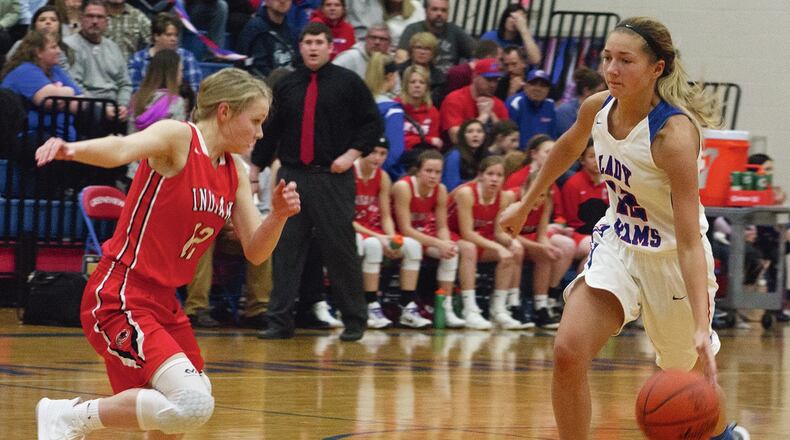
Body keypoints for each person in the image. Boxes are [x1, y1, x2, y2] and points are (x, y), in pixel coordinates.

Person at [499, 17, 749, 440]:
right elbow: (568, 145)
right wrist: (527, 202)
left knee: (687, 383)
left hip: (673, 260)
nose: (612, 69)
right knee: (567, 352)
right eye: (607, 58)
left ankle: (724, 435)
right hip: (619, 244)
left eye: (626, 60)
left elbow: (689, 241)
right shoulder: (597, 107)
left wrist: (700, 325)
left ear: (657, 68)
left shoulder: (673, 136)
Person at [33, 67, 301, 439]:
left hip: (164, 305)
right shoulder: (179, 138)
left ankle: (72, 419)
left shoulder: (235, 171)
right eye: (255, 121)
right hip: (121, 295)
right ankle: (67, 416)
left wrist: (279, 216)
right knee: (191, 402)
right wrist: (71, 149)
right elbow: (121, 149)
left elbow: (256, 250)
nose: (259, 133)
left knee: (183, 411)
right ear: (224, 111)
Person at [251, 22, 382, 342]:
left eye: (318, 42)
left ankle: (354, 320)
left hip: (332, 178)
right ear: (300, 46)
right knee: (285, 250)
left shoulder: (348, 83)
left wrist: (351, 155)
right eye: (307, 42)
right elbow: (271, 131)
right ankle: (279, 321)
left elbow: (372, 123)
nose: (312, 47)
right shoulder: (287, 85)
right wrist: (255, 170)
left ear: (329, 47)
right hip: (292, 177)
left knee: (340, 250)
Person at [392, 150, 486, 329]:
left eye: (437, 172)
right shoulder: (403, 187)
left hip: (426, 236)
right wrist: (438, 243)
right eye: (429, 171)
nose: (433, 176)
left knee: (452, 251)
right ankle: (408, 307)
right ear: (418, 171)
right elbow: (406, 229)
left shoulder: (441, 190)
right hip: (404, 237)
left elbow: (442, 227)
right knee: (421, 247)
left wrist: (446, 243)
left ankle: (446, 307)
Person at [447, 156, 527, 329]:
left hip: (481, 239)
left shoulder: (504, 197)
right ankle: (470, 310)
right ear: (480, 175)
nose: (494, 179)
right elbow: (467, 233)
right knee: (469, 249)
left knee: (513, 251)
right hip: (452, 235)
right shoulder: (466, 193)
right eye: (490, 174)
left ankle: (498, 309)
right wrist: (498, 247)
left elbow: (498, 233)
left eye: (499, 175)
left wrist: (512, 242)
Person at [353, 138, 426, 328]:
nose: (377, 158)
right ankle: (370, 303)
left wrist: (393, 238)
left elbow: (385, 215)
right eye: (373, 152)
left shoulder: (383, 176)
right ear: (363, 152)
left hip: (374, 229)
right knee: (372, 245)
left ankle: (407, 306)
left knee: (412, 246)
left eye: (383, 154)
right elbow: (346, 219)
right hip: (353, 229)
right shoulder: (349, 172)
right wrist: (381, 238)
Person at [1, 30, 82, 144]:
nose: (59, 51)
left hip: (62, 137)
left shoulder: (56, 70)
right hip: (28, 137)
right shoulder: (25, 70)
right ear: (38, 52)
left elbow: (81, 102)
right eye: (53, 47)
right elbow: (48, 101)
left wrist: (60, 96)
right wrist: (69, 91)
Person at [64, 0, 132, 121]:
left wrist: (122, 105)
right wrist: (101, 108)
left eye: (100, 17)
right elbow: (74, 84)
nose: (95, 21)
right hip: (87, 108)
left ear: (106, 21)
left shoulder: (113, 47)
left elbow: (125, 83)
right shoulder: (69, 46)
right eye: (90, 16)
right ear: (81, 18)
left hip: (114, 105)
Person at [128, 13, 202, 94]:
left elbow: (195, 88)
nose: (174, 39)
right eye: (169, 35)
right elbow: (134, 89)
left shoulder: (187, 57)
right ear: (156, 36)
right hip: (147, 103)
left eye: (176, 35)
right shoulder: (139, 58)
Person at [440, 57, 508, 145]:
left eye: (496, 80)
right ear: (475, 76)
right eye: (488, 79)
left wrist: (492, 116)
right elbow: (456, 138)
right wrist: (483, 117)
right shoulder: (454, 99)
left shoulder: (499, 104)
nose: (493, 85)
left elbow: (506, 142)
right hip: (458, 153)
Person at [396, 0, 474, 75]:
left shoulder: (455, 31)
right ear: (426, 11)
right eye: (434, 9)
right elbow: (401, 58)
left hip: (448, 83)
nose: (439, 13)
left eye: (444, 10)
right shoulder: (413, 29)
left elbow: (478, 53)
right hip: (419, 80)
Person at [128, 49, 187, 135]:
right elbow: (178, 138)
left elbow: (130, 134)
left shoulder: (136, 99)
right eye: (181, 70)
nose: (182, 75)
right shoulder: (177, 102)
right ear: (172, 73)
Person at [237, 0, 298, 77]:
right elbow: (257, 69)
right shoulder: (255, 29)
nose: (283, 1)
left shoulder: (292, 30)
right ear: (266, 1)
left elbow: (298, 63)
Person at [506, 68, 558, 150]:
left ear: (548, 90)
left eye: (543, 85)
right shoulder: (515, 103)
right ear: (525, 86)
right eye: (533, 84)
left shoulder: (550, 106)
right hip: (518, 154)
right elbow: (508, 137)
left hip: (542, 156)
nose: (538, 89)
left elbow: (552, 137)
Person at [6, 5, 72, 68]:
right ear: (34, 25)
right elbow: (8, 68)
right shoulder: (20, 45)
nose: (48, 22)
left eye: (53, 20)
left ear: (59, 26)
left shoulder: (66, 49)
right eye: (42, 20)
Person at [555, 66, 606, 136]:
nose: (603, 95)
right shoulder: (565, 111)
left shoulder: (602, 111)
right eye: (599, 91)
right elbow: (571, 138)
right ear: (586, 91)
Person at [442, 118, 488, 192]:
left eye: (479, 131)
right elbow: (451, 187)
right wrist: (476, 182)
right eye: (470, 131)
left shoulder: (485, 155)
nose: (475, 135)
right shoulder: (454, 155)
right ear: (462, 136)